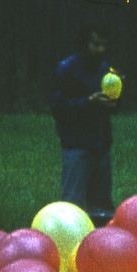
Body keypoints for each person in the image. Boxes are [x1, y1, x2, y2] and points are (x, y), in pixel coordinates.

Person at [50, 25, 120, 221]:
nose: (100, 49)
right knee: (72, 208)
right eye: (96, 44)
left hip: (101, 146)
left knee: (102, 208)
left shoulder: (105, 70)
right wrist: (88, 102)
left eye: (104, 45)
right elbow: (58, 108)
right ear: (84, 44)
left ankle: (100, 240)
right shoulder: (66, 69)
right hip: (77, 147)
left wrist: (115, 99)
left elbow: (113, 108)